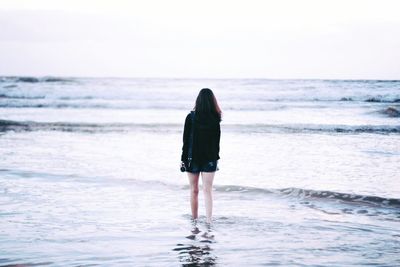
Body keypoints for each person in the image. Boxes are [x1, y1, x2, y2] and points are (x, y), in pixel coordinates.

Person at [181, 88, 222, 224]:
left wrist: (183, 159)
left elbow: (186, 141)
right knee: (207, 190)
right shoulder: (215, 118)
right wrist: (216, 158)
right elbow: (217, 142)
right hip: (210, 159)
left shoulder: (190, 117)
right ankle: (209, 221)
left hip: (192, 158)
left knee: (194, 190)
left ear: (198, 101)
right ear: (212, 101)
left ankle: (194, 220)